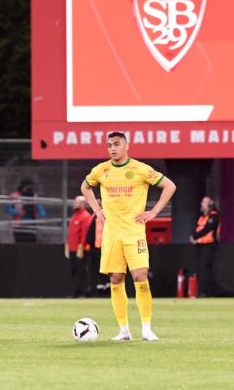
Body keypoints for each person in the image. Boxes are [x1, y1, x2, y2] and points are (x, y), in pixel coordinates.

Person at [81, 132, 176, 341]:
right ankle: (124, 331)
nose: (112, 148)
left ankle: (147, 329)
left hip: (134, 233)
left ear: (126, 146)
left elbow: (170, 186)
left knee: (141, 277)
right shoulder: (101, 170)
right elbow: (85, 186)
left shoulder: (140, 169)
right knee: (116, 279)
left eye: (116, 144)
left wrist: (154, 212)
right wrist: (97, 210)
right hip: (112, 234)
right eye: (109, 145)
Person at [189, 196, 220, 297]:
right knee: (199, 268)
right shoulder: (202, 217)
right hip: (199, 245)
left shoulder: (213, 216)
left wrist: (195, 236)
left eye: (204, 202)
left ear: (210, 205)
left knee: (205, 269)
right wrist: (193, 236)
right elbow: (196, 228)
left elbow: (208, 229)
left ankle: (206, 292)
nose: (201, 204)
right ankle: (200, 291)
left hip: (209, 245)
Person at [66, 196, 92, 297]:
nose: (74, 204)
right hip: (73, 248)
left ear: (83, 204)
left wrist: (82, 246)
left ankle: (84, 291)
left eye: (77, 202)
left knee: (82, 271)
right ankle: (76, 291)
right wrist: (68, 244)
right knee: (75, 271)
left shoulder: (85, 216)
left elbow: (85, 233)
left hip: (80, 249)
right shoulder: (75, 216)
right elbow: (71, 232)